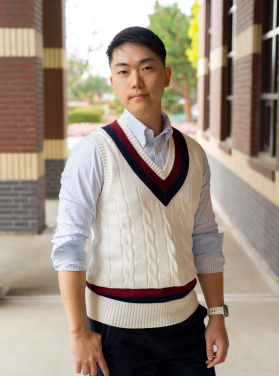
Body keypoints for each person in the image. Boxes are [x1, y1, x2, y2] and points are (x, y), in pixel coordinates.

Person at [51, 26, 229, 376]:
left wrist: (217, 315)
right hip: (116, 336)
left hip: (187, 329)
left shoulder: (194, 154)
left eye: (146, 68)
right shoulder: (93, 152)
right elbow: (69, 244)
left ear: (165, 75)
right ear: (114, 81)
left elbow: (205, 238)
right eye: (123, 71)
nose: (136, 81)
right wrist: (78, 332)